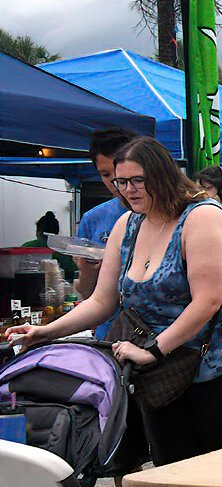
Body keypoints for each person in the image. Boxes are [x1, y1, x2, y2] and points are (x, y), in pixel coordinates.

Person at [6, 136, 222, 468]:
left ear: (163, 175)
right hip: (162, 370)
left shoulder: (203, 216)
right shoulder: (127, 225)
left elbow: (208, 301)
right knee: (172, 468)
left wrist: (152, 350)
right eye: (120, 182)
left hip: (221, 362)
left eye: (137, 181)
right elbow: (102, 300)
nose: (127, 190)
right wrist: (46, 333)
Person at [75, 128, 139, 340]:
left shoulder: (160, 214)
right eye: (105, 174)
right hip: (109, 334)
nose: (115, 181)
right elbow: (89, 295)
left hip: (154, 337)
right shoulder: (92, 218)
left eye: (118, 171)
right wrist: (86, 271)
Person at [21, 212, 77, 281]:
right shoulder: (66, 251)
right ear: (57, 232)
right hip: (62, 288)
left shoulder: (26, 248)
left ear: (38, 232)